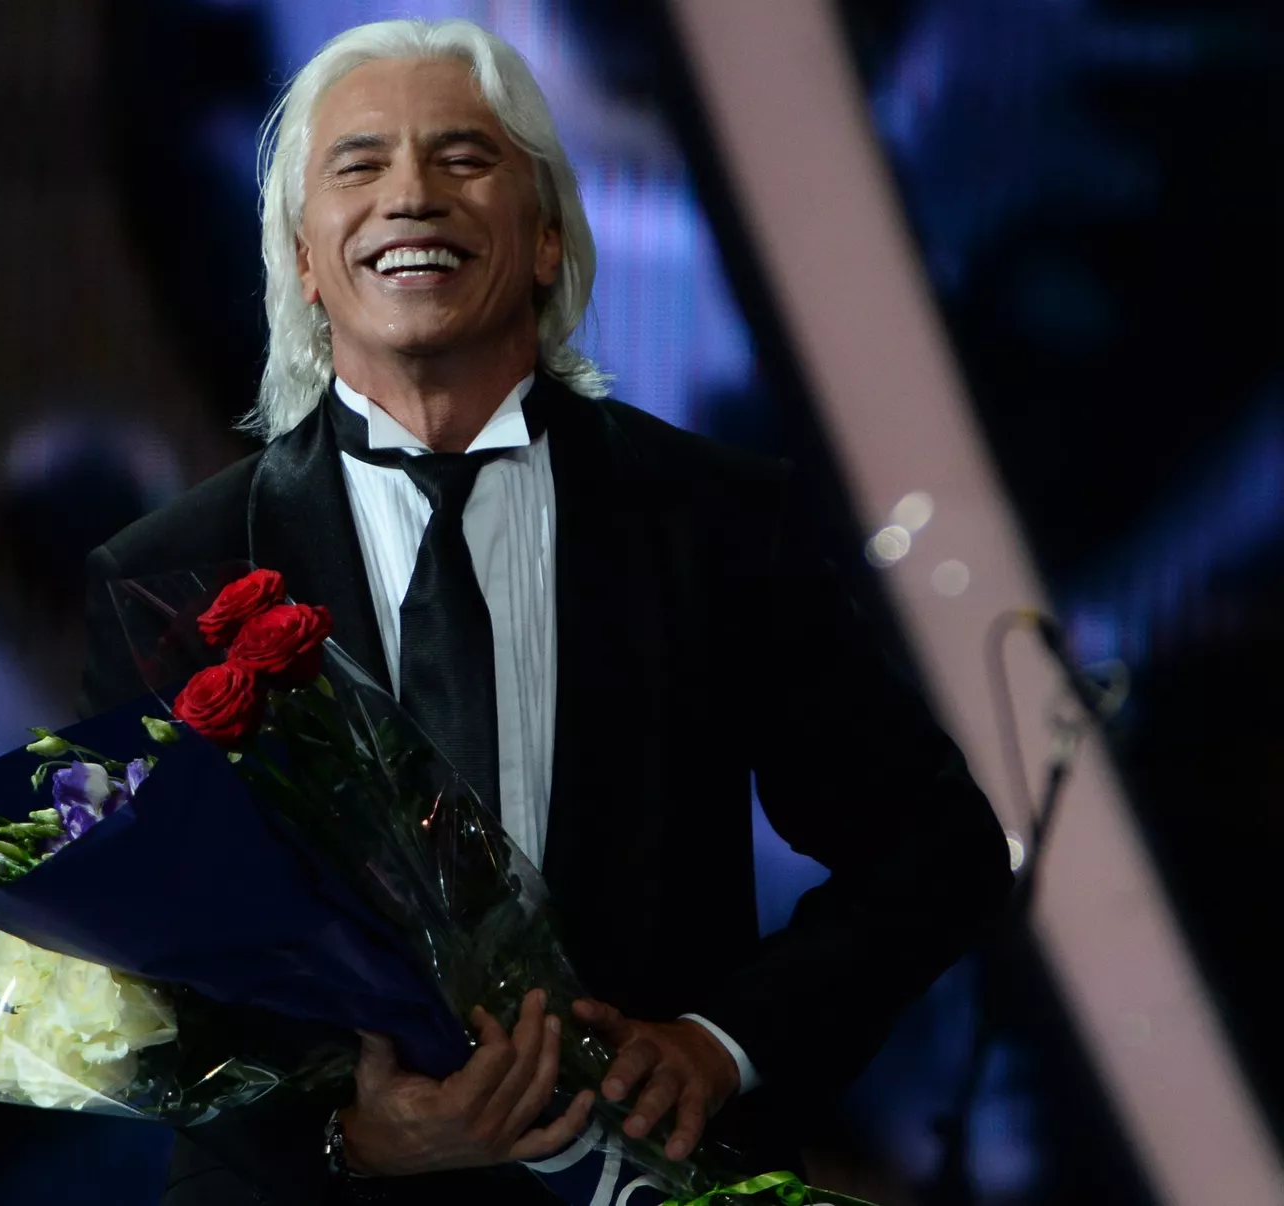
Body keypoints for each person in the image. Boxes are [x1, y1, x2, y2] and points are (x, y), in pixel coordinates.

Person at [77, 18, 1012, 1206]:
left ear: (546, 237)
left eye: (464, 158)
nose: (411, 195)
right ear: (304, 259)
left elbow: (933, 849)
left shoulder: (715, 521)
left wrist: (721, 1046)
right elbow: (142, 974)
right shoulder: (170, 573)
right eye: (360, 165)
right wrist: (355, 1137)